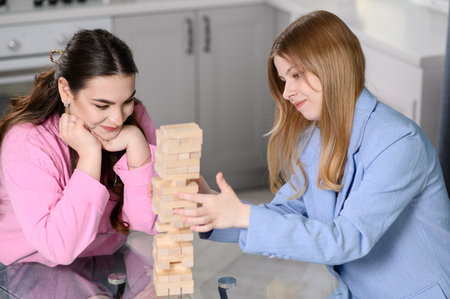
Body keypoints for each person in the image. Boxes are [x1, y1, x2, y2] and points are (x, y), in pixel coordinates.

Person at [175, 10, 450, 298]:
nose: (286, 92)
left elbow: (347, 239)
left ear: (333, 65)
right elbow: (289, 210)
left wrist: (243, 215)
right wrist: (215, 212)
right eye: (283, 79)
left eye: (296, 75)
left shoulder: (398, 143)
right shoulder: (315, 140)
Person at [0, 29, 158, 268]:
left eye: (127, 101)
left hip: (104, 258)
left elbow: (151, 222)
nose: (117, 119)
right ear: (66, 91)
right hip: (28, 267)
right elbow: (59, 249)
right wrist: (90, 156)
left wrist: (137, 143)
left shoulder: (134, 119)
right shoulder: (27, 142)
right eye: (101, 105)